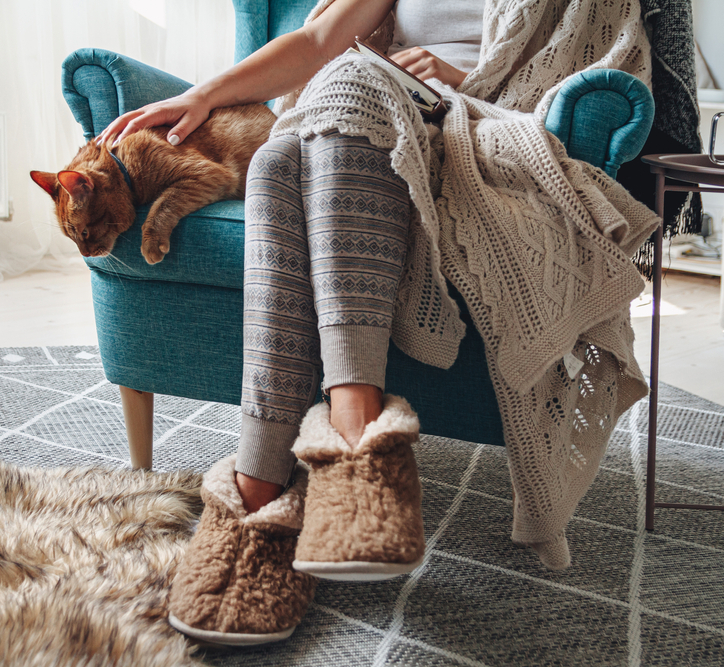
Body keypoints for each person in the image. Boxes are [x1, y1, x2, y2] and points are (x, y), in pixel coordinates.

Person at [98, 0, 657, 647]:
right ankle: (319, 463)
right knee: (279, 156)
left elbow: (597, 67)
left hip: (488, 135)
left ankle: (290, 473)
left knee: (349, 84)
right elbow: (318, 37)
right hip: (380, 125)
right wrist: (200, 96)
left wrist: (457, 80)